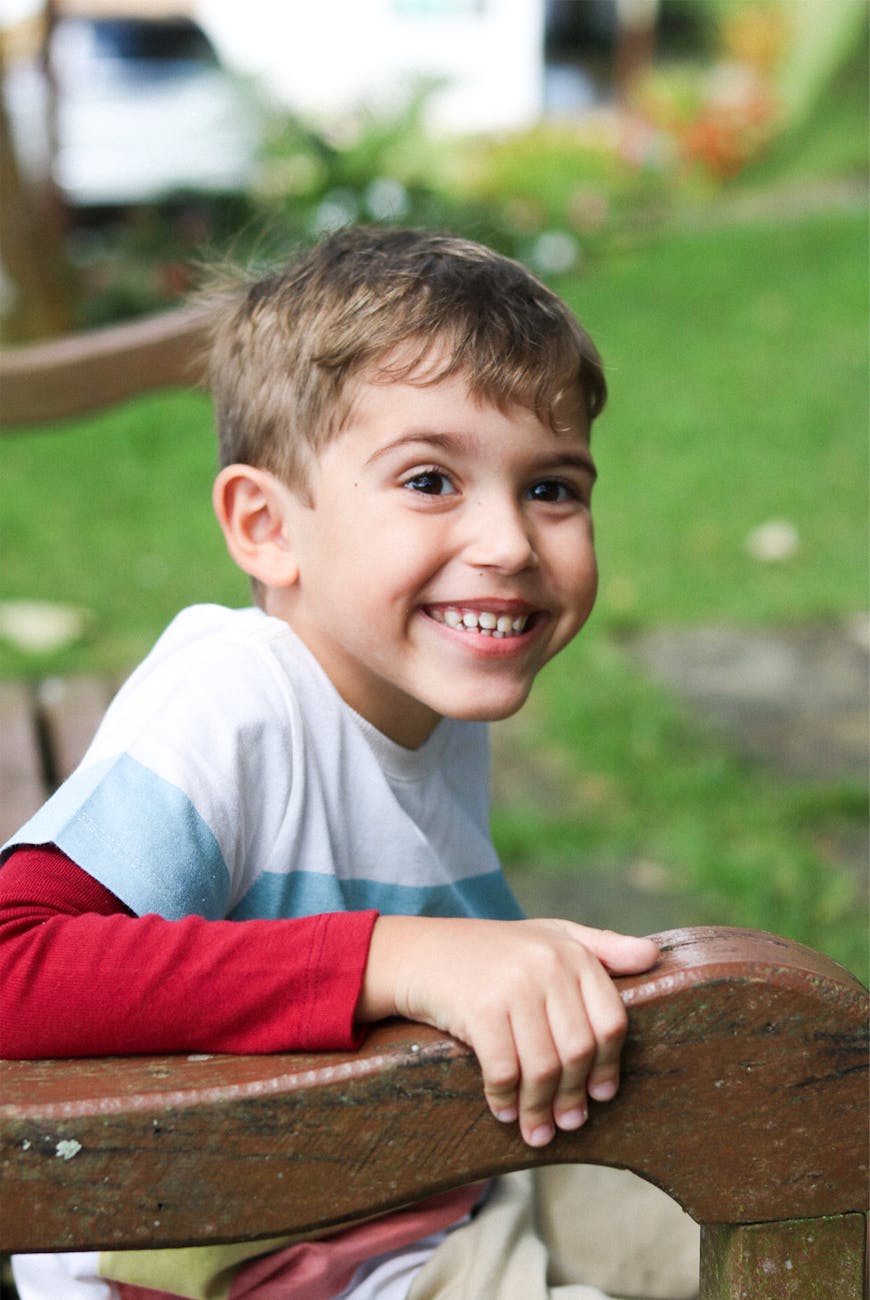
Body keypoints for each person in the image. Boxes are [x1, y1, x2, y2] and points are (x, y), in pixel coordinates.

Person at [0, 226, 659, 1300]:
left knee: (796, 1184)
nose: (509, 542)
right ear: (267, 526)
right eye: (431, 480)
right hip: (245, 1255)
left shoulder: (420, 691)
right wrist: (396, 957)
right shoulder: (238, 699)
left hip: (417, 1185)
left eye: (552, 488)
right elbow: (12, 967)